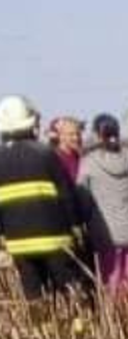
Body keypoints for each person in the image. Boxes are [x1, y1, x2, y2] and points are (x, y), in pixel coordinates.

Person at [0, 96, 93, 303]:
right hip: (54, 240)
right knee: (71, 290)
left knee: (34, 295)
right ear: (29, 123)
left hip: (19, 243)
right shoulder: (45, 154)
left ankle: (41, 330)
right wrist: (76, 226)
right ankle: (79, 328)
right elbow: (66, 195)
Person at [77, 113, 128, 309]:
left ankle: (116, 324)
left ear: (97, 134)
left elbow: (82, 199)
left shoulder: (89, 163)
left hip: (106, 234)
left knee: (111, 281)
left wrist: (84, 227)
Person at [48, 116, 84, 183]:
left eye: (78, 134)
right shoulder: (53, 158)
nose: (76, 138)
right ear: (61, 136)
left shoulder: (79, 157)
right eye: (71, 134)